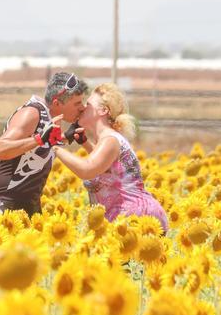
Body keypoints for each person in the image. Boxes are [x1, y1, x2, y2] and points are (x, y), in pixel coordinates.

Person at [51, 83, 169, 232]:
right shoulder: (109, 139)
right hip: (135, 217)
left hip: (135, 219)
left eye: (88, 104)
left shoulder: (110, 140)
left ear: (103, 110)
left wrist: (54, 147)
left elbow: (87, 170)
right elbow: (108, 170)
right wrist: (85, 143)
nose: (82, 108)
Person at [0, 72, 88, 230]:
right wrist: (38, 139)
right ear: (57, 103)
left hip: (31, 204)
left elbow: (41, 147)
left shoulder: (49, 118)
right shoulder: (32, 113)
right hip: (4, 200)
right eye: (77, 104)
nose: (83, 107)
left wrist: (65, 138)